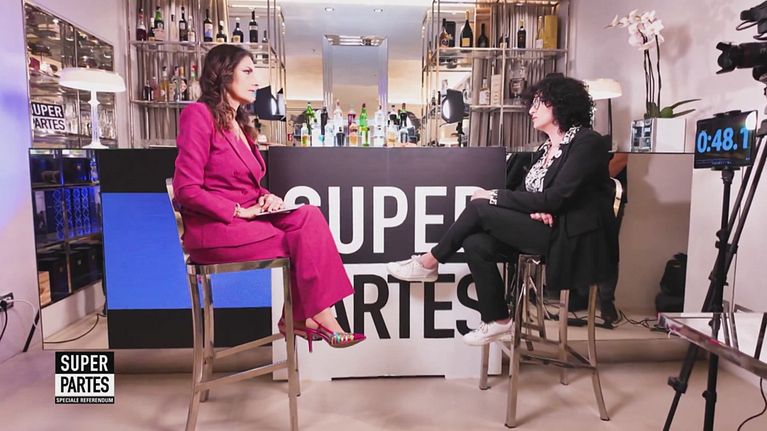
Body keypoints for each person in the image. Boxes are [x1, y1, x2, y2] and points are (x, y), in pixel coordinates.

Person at [387, 75, 618, 346]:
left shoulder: (587, 142)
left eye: (538, 103)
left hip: (571, 237)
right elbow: (530, 194)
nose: (531, 110)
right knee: (476, 243)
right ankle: (498, 319)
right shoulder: (545, 148)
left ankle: (429, 262)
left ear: (560, 103)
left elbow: (556, 198)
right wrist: (538, 206)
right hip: (545, 227)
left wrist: (498, 196)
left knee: (480, 207)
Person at [172, 44, 364, 350]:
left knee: (309, 215)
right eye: (248, 72)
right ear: (223, 74)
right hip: (216, 230)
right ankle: (313, 317)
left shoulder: (240, 125)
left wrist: (266, 197)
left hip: (247, 221)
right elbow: (186, 189)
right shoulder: (198, 115)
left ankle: (307, 317)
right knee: (301, 242)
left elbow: (245, 182)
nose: (256, 81)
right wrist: (238, 210)